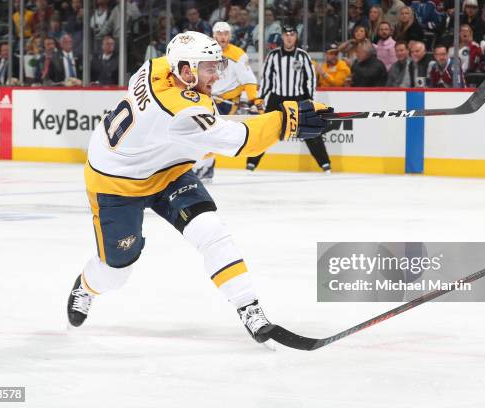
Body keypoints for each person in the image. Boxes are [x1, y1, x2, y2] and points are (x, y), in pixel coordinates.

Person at [66, 31, 333, 345]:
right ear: (186, 70)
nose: (217, 74)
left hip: (167, 170)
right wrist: (287, 121)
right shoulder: (179, 109)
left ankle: (250, 309)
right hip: (116, 183)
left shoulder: (158, 67)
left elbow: (198, 121)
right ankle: (86, 286)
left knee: (211, 231)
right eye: (210, 68)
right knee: (115, 273)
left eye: (217, 66)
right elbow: (240, 141)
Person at [247, 25, 332, 173]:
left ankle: (325, 164)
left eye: (292, 34)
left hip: (297, 98)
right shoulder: (273, 56)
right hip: (276, 99)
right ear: (282, 37)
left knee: (309, 130)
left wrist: (311, 100)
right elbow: (267, 79)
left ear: (296, 37)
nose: (289, 37)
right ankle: (251, 164)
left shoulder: (303, 56)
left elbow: (310, 80)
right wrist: (260, 98)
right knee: (265, 130)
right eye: (286, 34)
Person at [192, 21, 261, 182]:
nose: (222, 37)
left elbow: (249, 80)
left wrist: (253, 99)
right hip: (205, 98)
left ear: (230, 35)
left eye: (225, 34)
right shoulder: (204, 53)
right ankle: (207, 167)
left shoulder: (238, 55)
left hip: (226, 102)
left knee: (208, 134)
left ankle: (203, 167)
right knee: (205, 134)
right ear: (214, 35)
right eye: (219, 34)